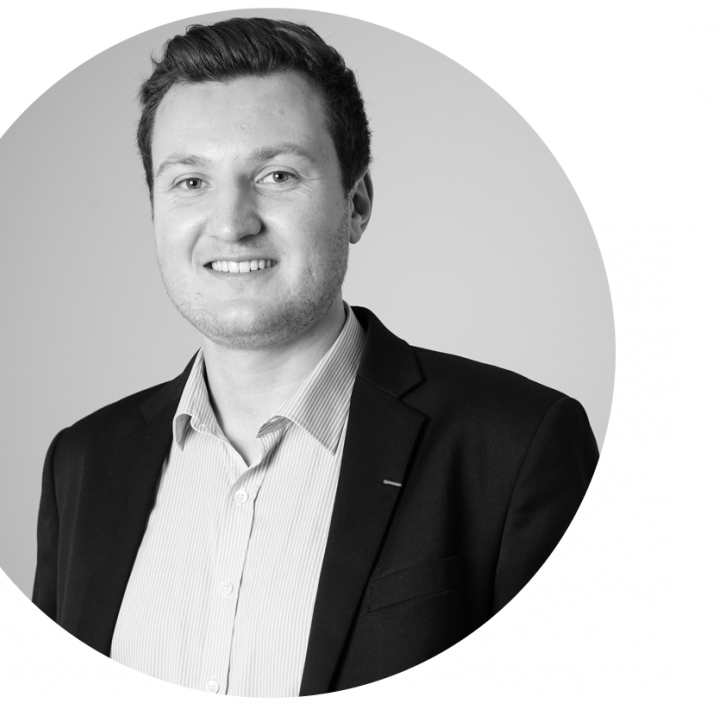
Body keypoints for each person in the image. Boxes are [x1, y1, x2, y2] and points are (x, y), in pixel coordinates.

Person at [33, 17, 598, 697]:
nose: (232, 222)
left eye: (277, 174)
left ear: (356, 204)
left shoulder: (516, 446)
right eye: (190, 181)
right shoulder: (83, 463)